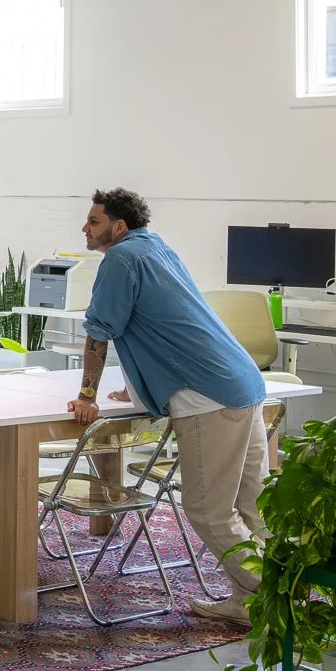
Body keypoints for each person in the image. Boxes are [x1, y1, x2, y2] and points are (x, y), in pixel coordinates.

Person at [67, 188, 270, 623]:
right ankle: (253, 601)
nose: (85, 227)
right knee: (251, 504)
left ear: (119, 227)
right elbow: (163, 323)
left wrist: (87, 396)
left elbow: (99, 333)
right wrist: (140, 388)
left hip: (207, 396)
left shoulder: (119, 260)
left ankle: (275, 595)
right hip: (242, 382)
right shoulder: (155, 247)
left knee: (209, 512)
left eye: (94, 221)